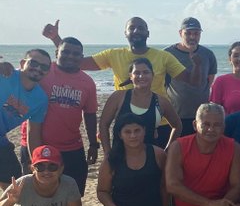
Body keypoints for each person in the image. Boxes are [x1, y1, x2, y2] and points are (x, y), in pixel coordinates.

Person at [42, 18, 201, 148]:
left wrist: (198, 65)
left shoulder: (163, 57)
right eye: (132, 28)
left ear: (148, 33)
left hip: (159, 124)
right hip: (126, 125)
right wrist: (56, 39)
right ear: (125, 33)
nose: (136, 31)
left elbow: (192, 81)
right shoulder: (113, 54)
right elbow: (77, 61)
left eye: (141, 28)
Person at [19, 38, 98, 206]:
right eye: (66, 52)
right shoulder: (43, 71)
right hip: (35, 146)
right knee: (36, 197)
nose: (71, 57)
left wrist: (93, 143)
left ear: (81, 57)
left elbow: (90, 114)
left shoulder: (87, 82)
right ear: (57, 52)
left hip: (71, 148)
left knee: (71, 198)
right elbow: (19, 77)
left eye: (76, 53)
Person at [98, 58, 181, 158]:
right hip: (120, 157)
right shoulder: (118, 97)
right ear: (131, 76)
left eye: (146, 72)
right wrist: (107, 152)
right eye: (137, 73)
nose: (141, 76)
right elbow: (103, 124)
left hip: (150, 160)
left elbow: (177, 126)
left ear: (152, 75)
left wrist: (167, 150)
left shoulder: (161, 102)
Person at [0, 50, 50, 189]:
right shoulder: (5, 74)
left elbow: (33, 133)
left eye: (44, 67)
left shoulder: (41, 99)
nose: (39, 68)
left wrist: (36, 161)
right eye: (34, 63)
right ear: (22, 63)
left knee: (14, 183)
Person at [165, 17, 218, 136]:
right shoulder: (167, 54)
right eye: (188, 33)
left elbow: (209, 81)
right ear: (180, 33)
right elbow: (161, 84)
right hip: (174, 115)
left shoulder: (208, 54)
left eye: (196, 33)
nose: (192, 37)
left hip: (201, 114)